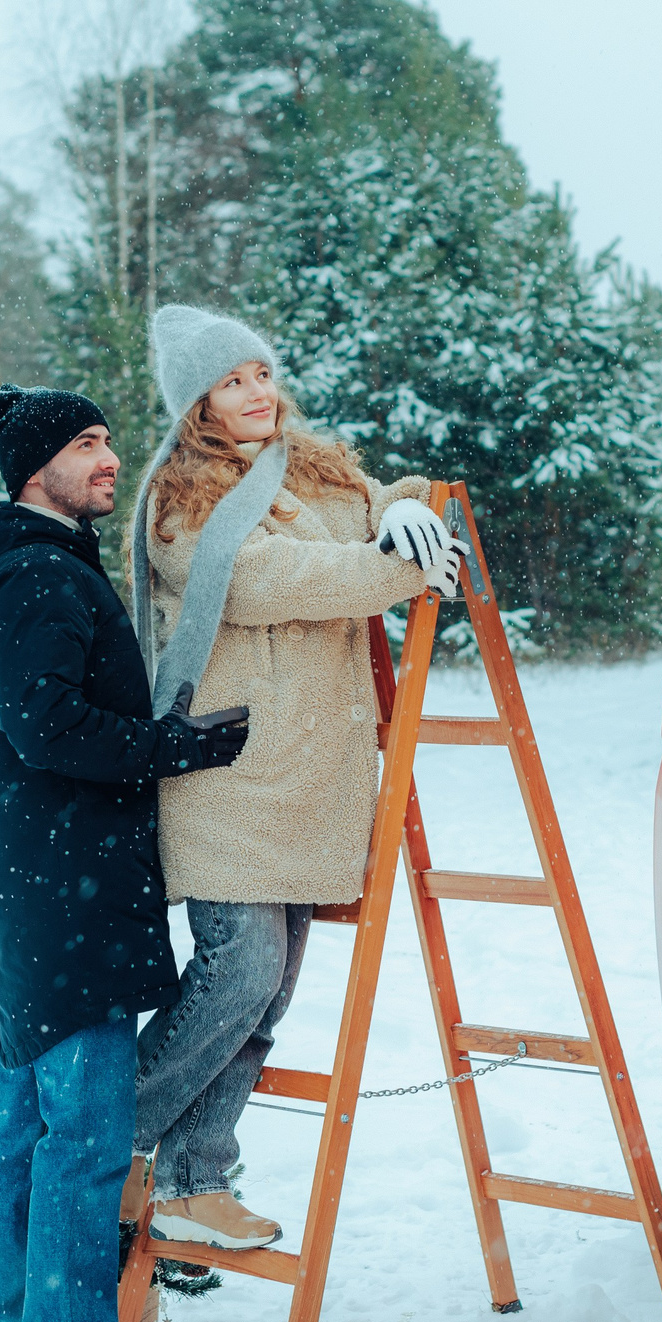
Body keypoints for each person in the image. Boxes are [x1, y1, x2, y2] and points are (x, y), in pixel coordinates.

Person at [0, 384, 248, 1322]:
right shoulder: (33, 574)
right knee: (81, 1131)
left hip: (35, 884)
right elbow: (48, 729)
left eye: (110, 438)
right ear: (37, 470)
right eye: (86, 443)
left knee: (28, 1117)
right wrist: (180, 745)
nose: (110, 457)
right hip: (62, 889)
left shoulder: (29, 564)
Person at [124, 306, 462, 1250]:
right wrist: (398, 566)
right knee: (239, 975)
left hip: (311, 781)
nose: (258, 392)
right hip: (229, 779)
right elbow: (281, 580)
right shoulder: (180, 502)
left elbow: (375, 496)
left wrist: (399, 504)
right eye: (233, 381)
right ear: (197, 403)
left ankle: (196, 1178)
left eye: (261, 372)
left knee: (266, 999)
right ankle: (107, 1142)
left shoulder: (310, 468)